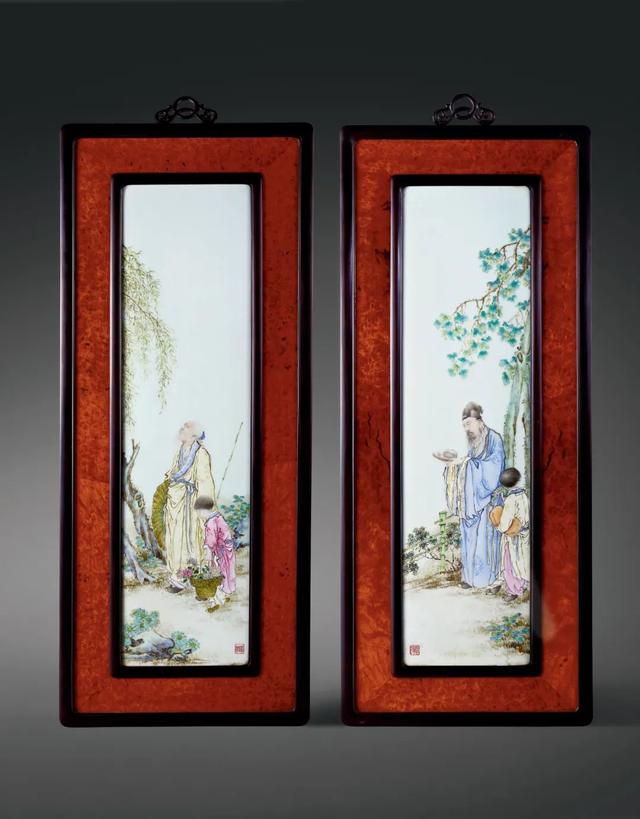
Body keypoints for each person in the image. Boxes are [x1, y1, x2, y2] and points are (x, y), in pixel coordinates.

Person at [433, 402, 505, 589]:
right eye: (464, 425)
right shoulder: (474, 443)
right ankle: (468, 578)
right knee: (468, 537)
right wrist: (456, 466)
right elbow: (470, 466)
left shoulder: (494, 439)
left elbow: (493, 469)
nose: (467, 429)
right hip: (471, 501)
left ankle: (485, 580)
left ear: (479, 422)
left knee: (483, 540)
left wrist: (465, 464)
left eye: (469, 424)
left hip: (487, 501)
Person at [164, 421, 216, 592]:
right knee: (176, 539)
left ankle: (198, 578)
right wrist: (170, 476)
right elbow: (173, 471)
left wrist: (203, 507)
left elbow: (205, 481)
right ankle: (178, 578)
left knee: (194, 538)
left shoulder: (201, 453)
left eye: (184, 429)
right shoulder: (179, 451)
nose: (180, 430)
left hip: (192, 503)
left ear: (193, 435)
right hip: (177, 501)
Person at [489, 467, 530, 601]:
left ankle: (513, 590)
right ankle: (523, 585)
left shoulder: (511, 499)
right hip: (524, 534)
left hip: (512, 537)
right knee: (522, 561)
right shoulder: (524, 496)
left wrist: (498, 526)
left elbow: (505, 523)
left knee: (510, 563)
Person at [194, 495, 236, 610]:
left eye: (198, 512)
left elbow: (211, 541)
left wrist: (208, 554)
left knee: (217, 575)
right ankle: (225, 594)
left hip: (219, 553)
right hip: (226, 551)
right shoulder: (219, 517)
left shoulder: (211, 522)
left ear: (203, 510)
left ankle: (217, 601)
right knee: (226, 572)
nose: (199, 515)